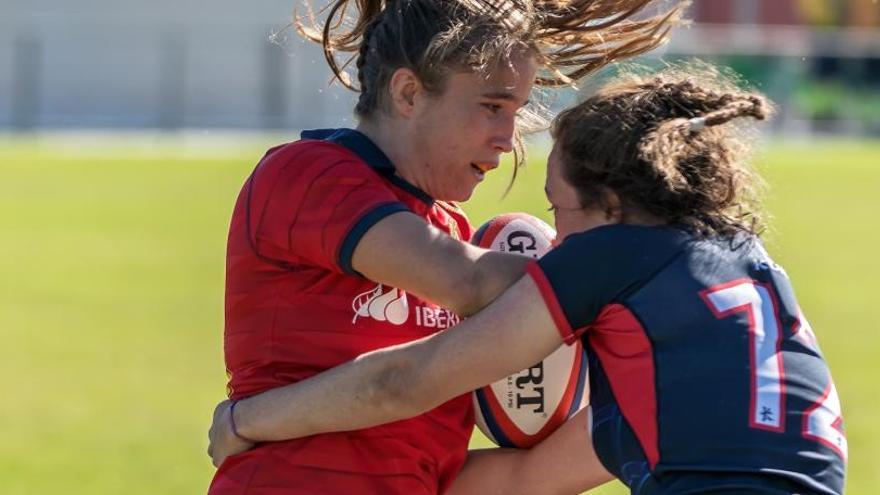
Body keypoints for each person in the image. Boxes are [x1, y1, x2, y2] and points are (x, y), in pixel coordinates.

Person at [209, 65, 847, 495]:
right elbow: (530, 479)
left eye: (558, 211)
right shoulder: (737, 274)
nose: (557, 242)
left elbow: (402, 381)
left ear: (613, 206)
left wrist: (246, 421)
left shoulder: (612, 258)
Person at [209, 0, 684, 493]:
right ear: (409, 93)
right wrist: (645, 273)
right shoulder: (309, 174)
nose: (508, 138)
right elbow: (463, 284)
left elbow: (487, 472)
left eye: (516, 112)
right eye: (492, 107)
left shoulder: (449, 226)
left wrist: (659, 401)